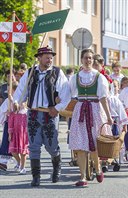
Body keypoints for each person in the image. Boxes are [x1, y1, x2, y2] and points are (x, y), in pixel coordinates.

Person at [13, 46, 71, 186]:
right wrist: (16, 102)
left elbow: (66, 94)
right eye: (47, 57)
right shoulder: (30, 73)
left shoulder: (57, 73)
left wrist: (57, 108)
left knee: (52, 146)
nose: (50, 59)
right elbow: (21, 91)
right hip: (33, 113)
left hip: (49, 114)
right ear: (39, 58)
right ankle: (36, 176)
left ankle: (57, 167)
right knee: (33, 146)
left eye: (51, 57)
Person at [69, 49, 113, 187]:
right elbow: (69, 94)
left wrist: (109, 116)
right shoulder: (75, 77)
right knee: (81, 146)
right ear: (81, 60)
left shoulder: (99, 77)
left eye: (90, 58)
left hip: (95, 110)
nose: (88, 60)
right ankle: (82, 177)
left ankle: (98, 168)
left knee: (94, 144)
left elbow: (104, 98)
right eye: (85, 58)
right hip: (80, 110)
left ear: (93, 60)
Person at [8, 82, 29, 174]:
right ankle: (19, 162)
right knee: (13, 151)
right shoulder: (14, 113)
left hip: (24, 134)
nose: (21, 104)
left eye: (23, 102)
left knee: (23, 152)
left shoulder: (27, 113)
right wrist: (10, 133)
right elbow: (10, 124)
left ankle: (23, 167)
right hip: (15, 134)